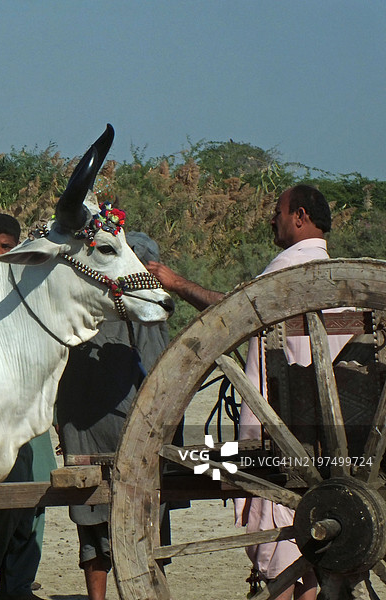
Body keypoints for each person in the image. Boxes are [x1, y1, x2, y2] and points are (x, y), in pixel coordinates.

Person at [147, 184, 345, 600]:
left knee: (284, 539)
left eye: (278, 211)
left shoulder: (289, 271)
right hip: (339, 435)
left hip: (283, 433)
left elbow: (232, 311)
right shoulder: (340, 279)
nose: (271, 220)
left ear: (300, 216)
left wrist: (175, 283)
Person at [56, 229, 169, 600]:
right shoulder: (145, 317)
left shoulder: (78, 310)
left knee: (91, 522)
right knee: (142, 520)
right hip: (128, 431)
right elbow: (159, 376)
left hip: (81, 427)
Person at [0, 213, 59, 600]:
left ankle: (17, 585)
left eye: (7, 247)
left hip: (27, 412)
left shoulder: (30, 288)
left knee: (36, 493)